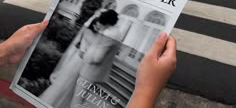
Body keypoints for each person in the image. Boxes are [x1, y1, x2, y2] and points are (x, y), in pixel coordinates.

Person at [0, 20, 176, 108]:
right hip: (83, 63)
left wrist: (6, 50)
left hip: (80, 63)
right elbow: (94, 55)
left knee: (70, 90)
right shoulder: (103, 34)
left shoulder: (98, 34)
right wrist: (147, 91)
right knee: (71, 92)